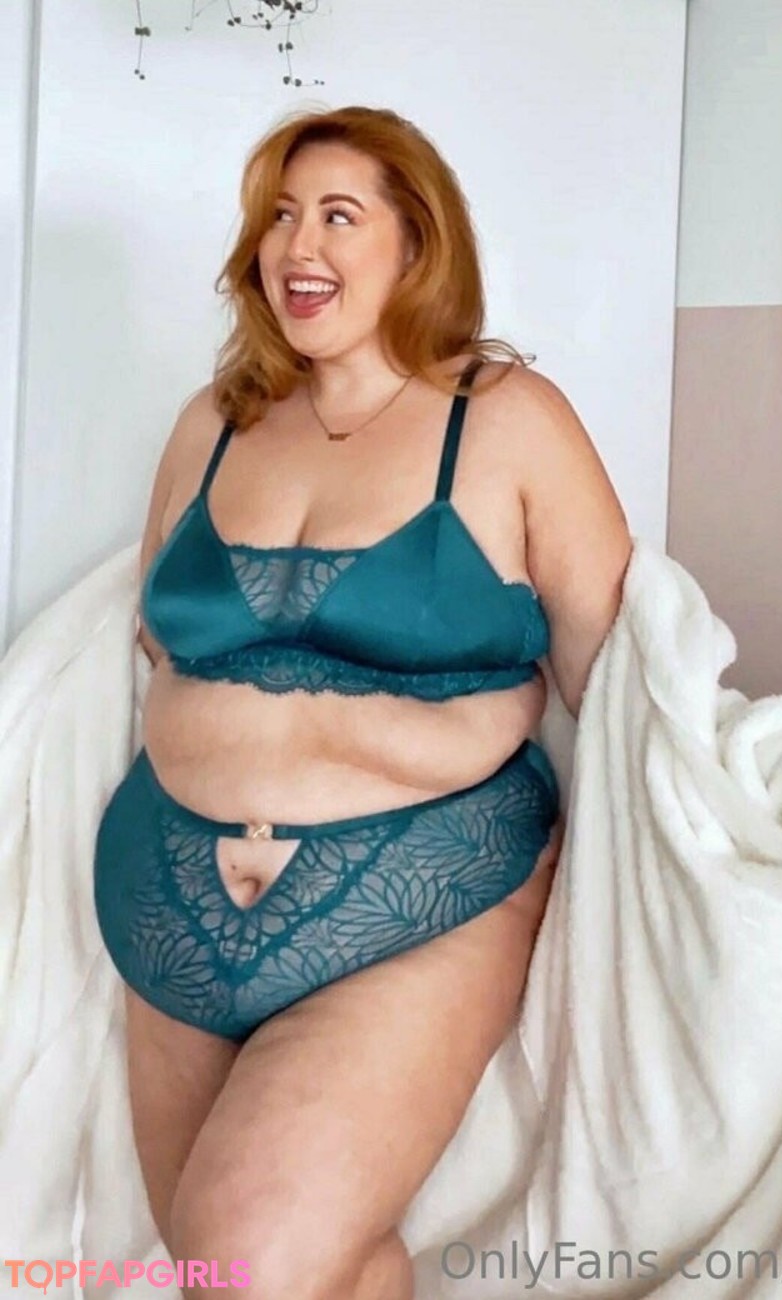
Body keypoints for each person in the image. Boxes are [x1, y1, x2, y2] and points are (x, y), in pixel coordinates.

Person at [91, 105, 632, 1299]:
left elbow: (628, 682)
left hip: (421, 893)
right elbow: (153, 637)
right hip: (167, 887)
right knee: (246, 1267)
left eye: (339, 214)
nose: (299, 244)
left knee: (252, 1260)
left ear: (417, 244)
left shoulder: (508, 420)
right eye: (281, 215)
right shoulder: (214, 424)